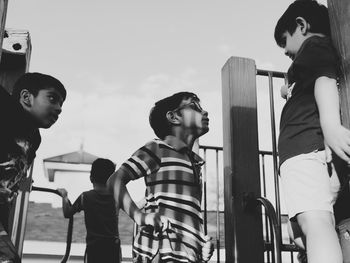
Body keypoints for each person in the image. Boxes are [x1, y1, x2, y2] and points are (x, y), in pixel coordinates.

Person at [275, 1, 350, 263]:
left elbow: (324, 80)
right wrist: (287, 89)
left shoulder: (313, 47)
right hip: (306, 152)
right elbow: (302, 82)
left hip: (304, 148)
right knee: (300, 230)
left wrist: (330, 126)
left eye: (287, 48)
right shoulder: (307, 59)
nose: (290, 56)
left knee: (315, 222)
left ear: (301, 26)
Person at [107, 92, 214, 263]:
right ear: (173, 117)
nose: (205, 112)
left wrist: (201, 249)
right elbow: (115, 180)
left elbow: (186, 214)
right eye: (194, 107)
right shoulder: (157, 148)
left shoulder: (195, 163)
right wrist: (139, 216)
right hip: (160, 251)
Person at [0, 72, 66, 262]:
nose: (59, 109)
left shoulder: (34, 138)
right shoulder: (6, 109)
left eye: (61, 104)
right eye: (52, 98)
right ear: (26, 97)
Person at [57, 158, 120, 263]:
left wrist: (64, 196)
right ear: (112, 180)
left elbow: (67, 213)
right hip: (112, 246)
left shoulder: (85, 197)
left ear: (91, 178)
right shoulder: (117, 198)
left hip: (94, 247)